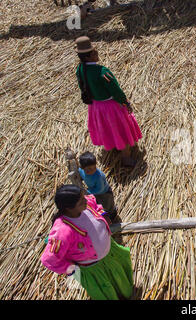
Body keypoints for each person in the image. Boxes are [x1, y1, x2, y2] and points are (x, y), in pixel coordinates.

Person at [41, 184, 134, 300]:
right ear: (69, 208)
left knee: (122, 282)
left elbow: (96, 206)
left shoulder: (86, 204)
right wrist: (71, 269)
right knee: (106, 292)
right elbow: (48, 259)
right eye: (80, 202)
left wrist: (104, 215)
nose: (85, 200)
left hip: (110, 254)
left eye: (83, 198)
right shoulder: (62, 231)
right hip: (93, 269)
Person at [75, 36, 142, 167]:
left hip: (95, 106)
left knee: (107, 128)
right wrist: (125, 102)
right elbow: (115, 91)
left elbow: (81, 86)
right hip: (110, 107)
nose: (97, 53)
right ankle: (126, 157)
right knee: (121, 129)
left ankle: (113, 145)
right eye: (94, 52)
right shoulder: (102, 72)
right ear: (88, 57)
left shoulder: (80, 70)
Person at [78, 151, 117, 222]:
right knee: (98, 205)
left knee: (107, 206)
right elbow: (79, 174)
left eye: (94, 168)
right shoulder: (81, 171)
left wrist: (88, 192)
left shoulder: (98, 177)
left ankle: (112, 216)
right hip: (94, 192)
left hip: (104, 193)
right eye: (89, 169)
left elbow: (100, 189)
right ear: (83, 168)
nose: (92, 171)